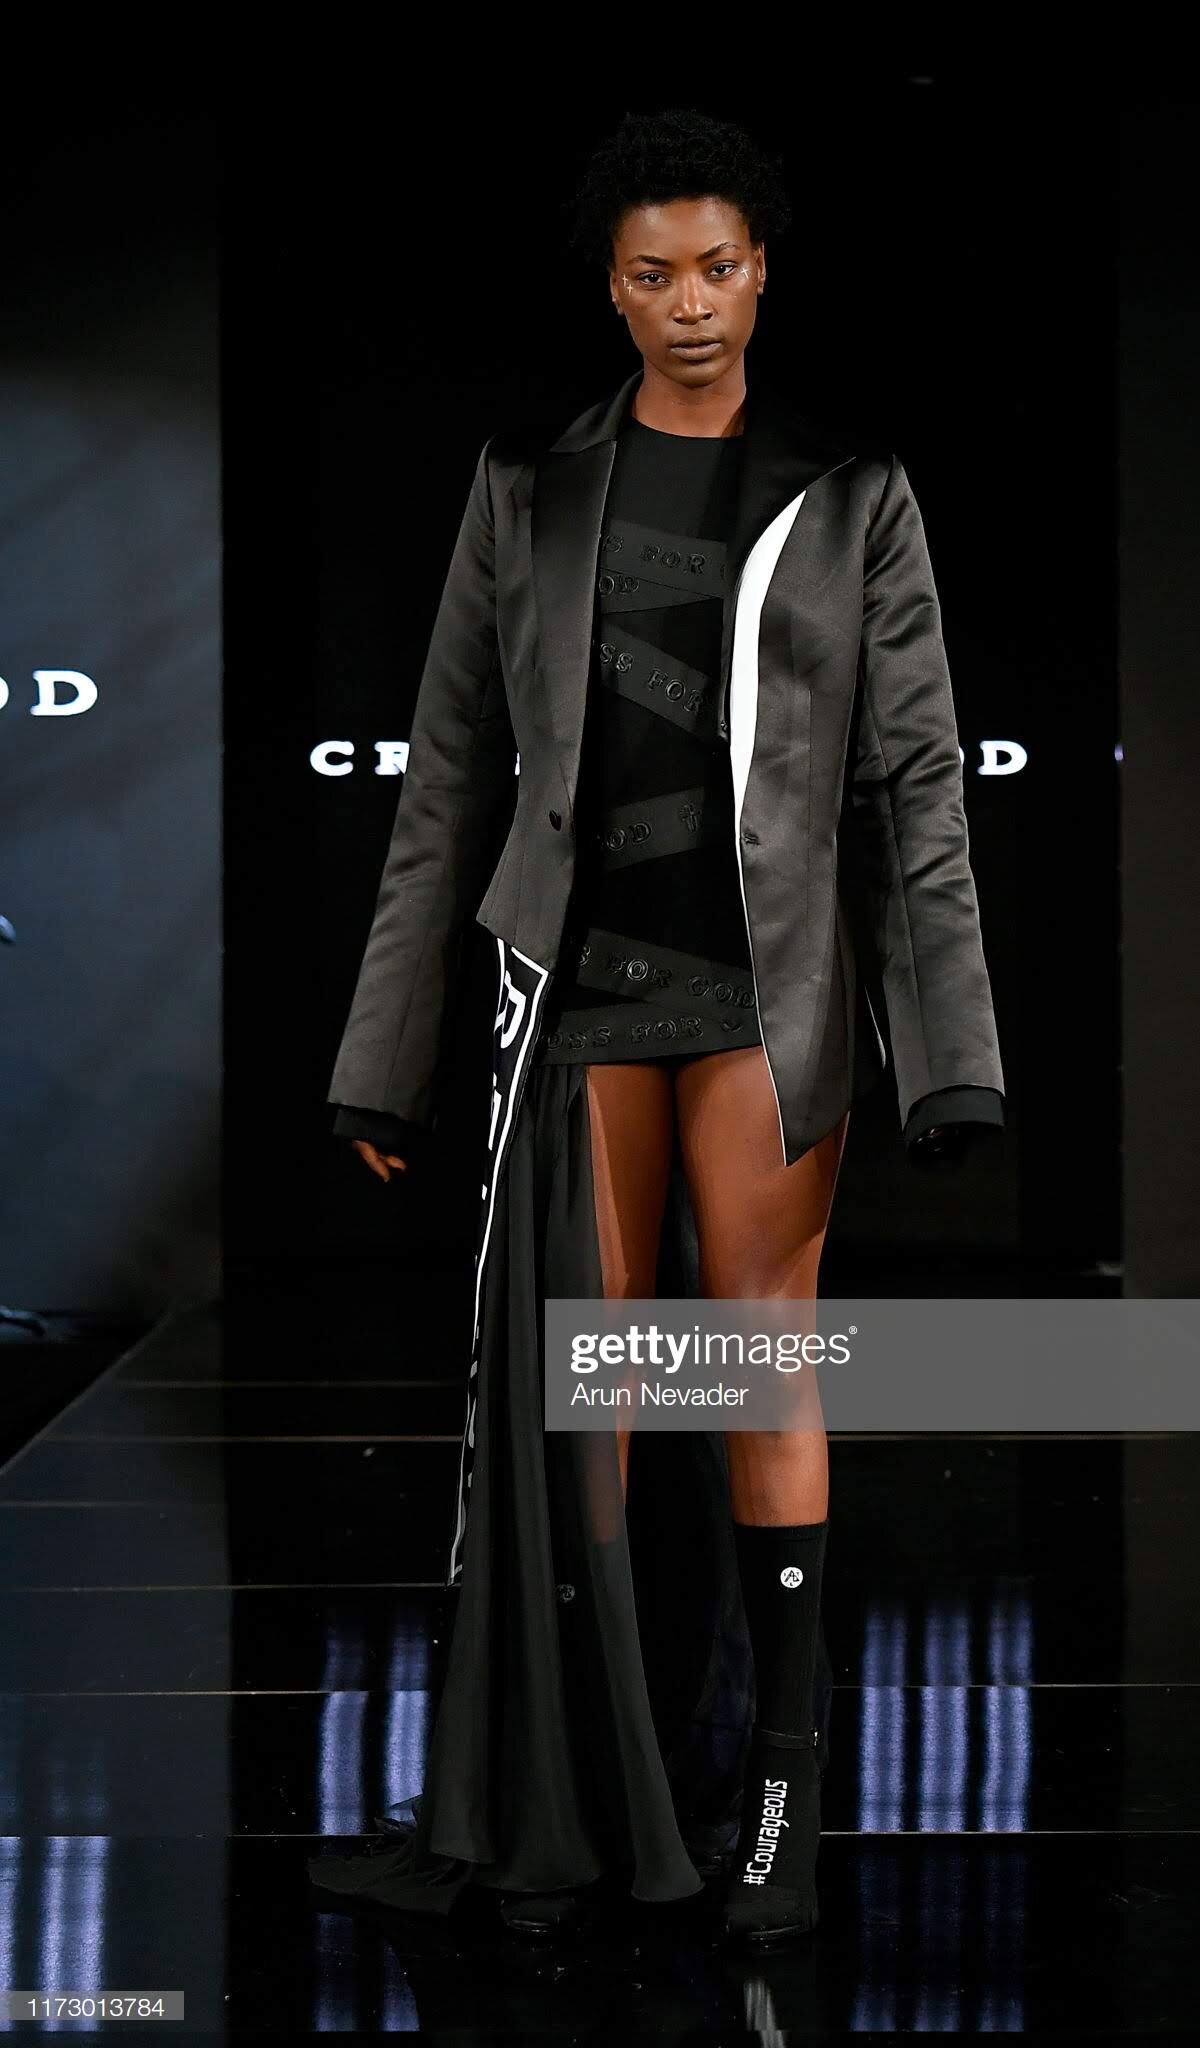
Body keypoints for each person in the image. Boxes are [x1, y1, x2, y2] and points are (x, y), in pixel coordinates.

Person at [307, 106, 1006, 1950]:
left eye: (715, 267)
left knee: (761, 1356)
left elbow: (916, 783)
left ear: (760, 270)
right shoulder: (526, 488)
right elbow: (450, 778)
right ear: (608, 289)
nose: (686, 303)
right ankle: (598, 1798)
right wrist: (381, 1053)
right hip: (583, 984)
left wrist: (953, 1057)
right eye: (649, 274)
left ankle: (781, 1791)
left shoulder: (852, 490)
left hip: (761, 994)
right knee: (592, 1389)